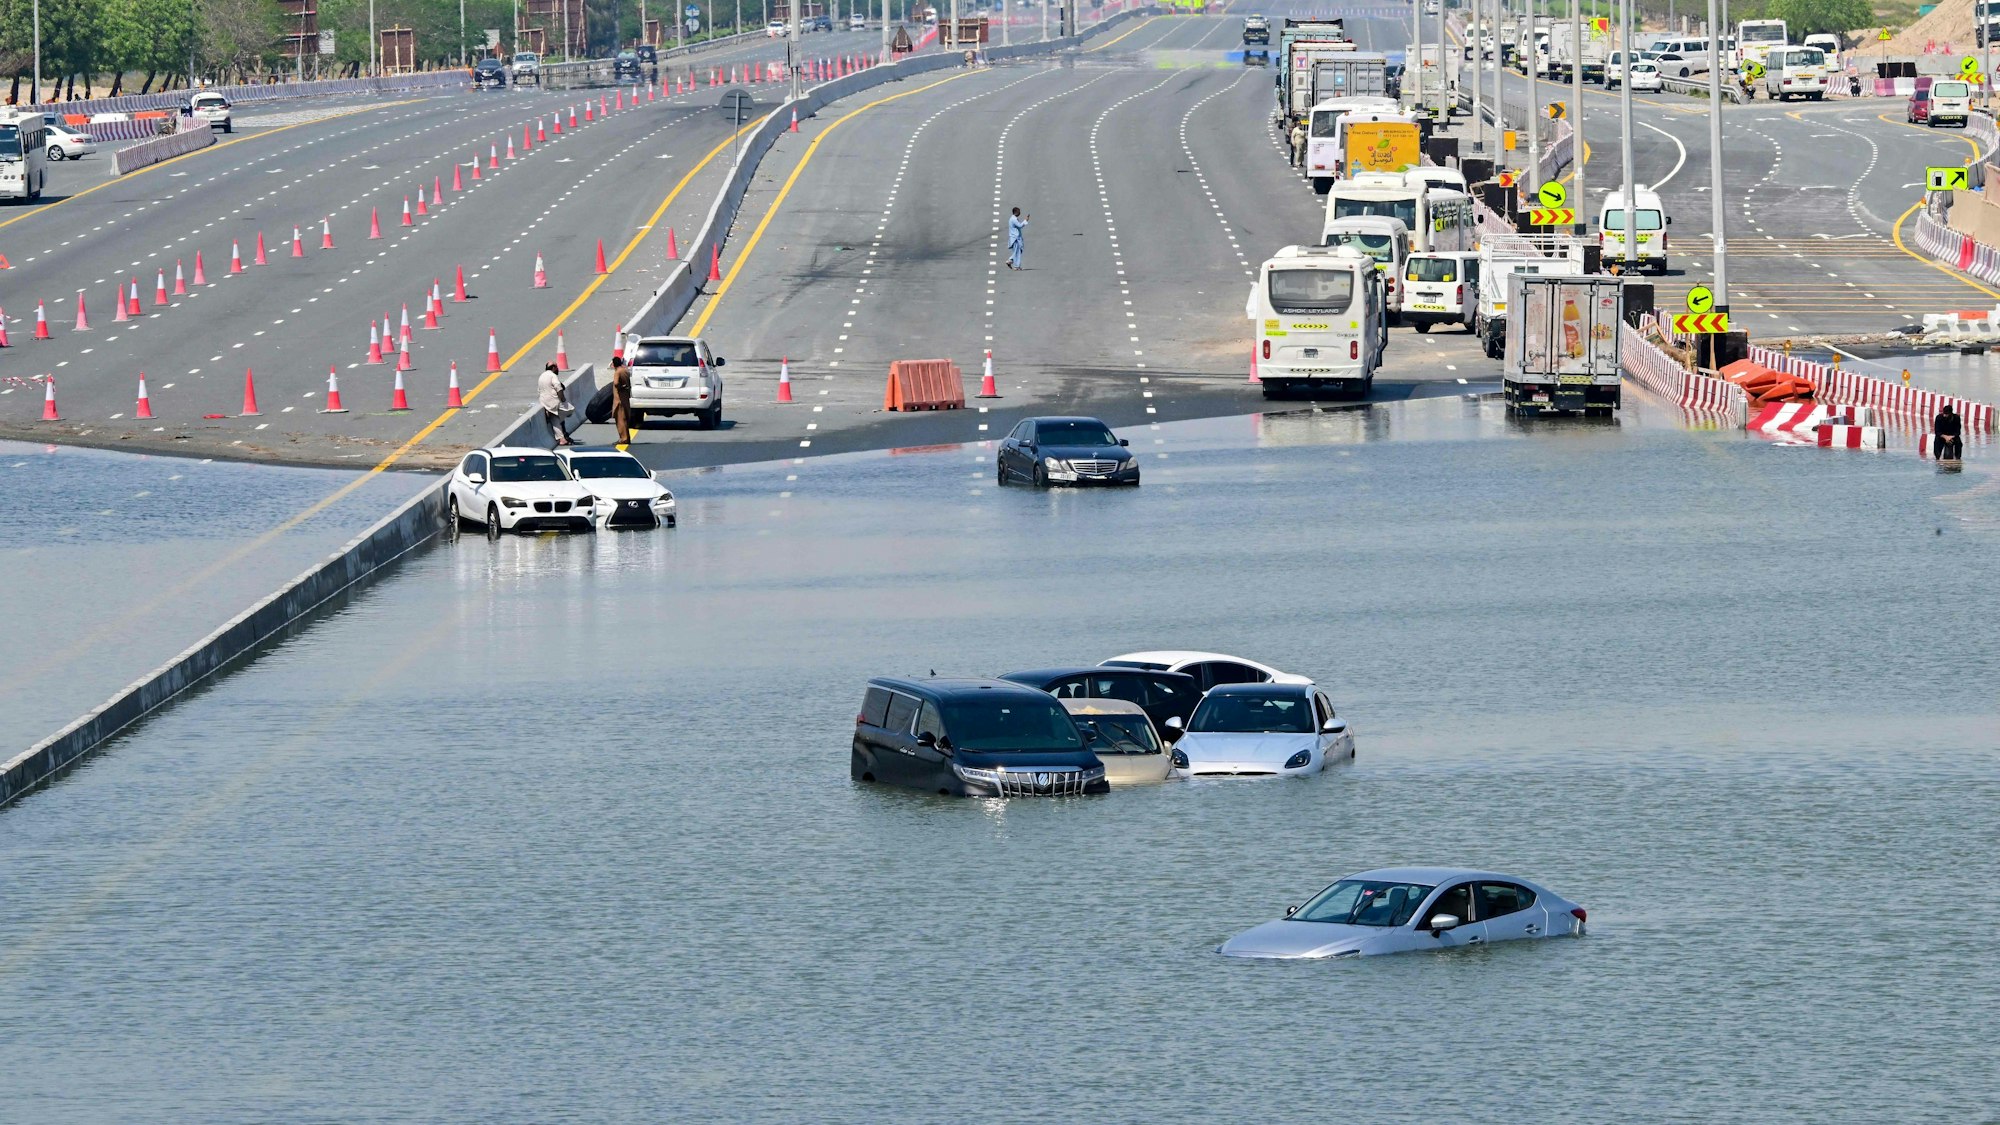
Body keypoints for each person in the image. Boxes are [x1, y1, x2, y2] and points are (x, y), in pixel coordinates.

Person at [538, 362, 574, 447]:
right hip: (554, 402)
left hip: (544, 402)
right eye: (557, 367)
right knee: (571, 410)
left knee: (555, 420)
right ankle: (563, 435)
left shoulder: (542, 376)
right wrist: (563, 399)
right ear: (553, 368)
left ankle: (562, 439)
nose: (558, 369)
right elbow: (558, 387)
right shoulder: (553, 376)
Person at [611, 356, 634, 449]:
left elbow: (616, 383)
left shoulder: (617, 372)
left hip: (619, 399)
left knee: (620, 419)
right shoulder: (625, 370)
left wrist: (619, 387)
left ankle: (623, 438)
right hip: (625, 397)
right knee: (625, 418)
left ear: (613, 364)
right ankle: (627, 437)